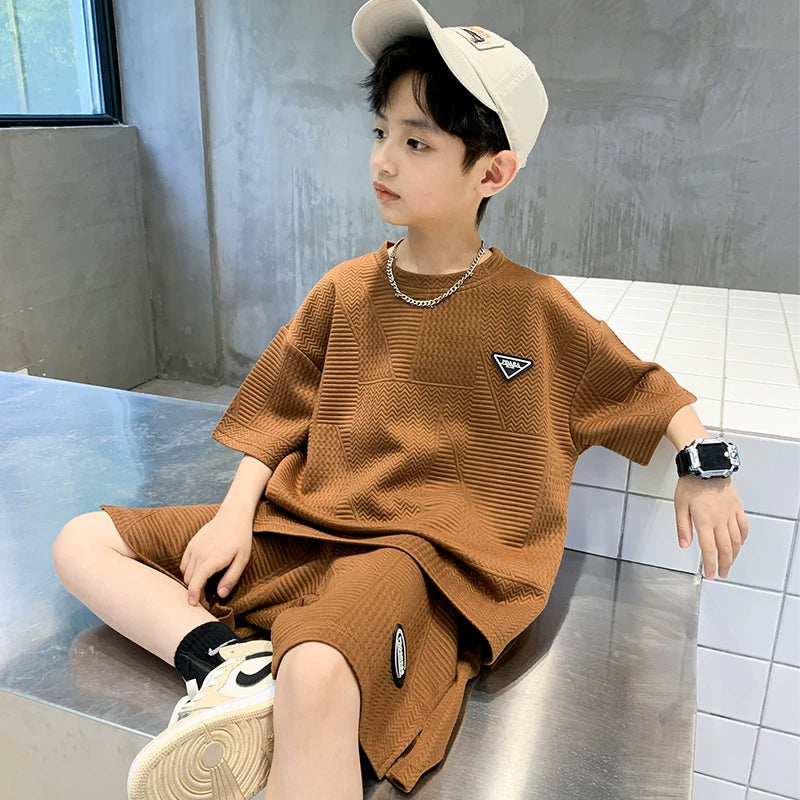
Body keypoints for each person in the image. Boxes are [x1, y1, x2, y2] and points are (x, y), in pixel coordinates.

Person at [51, 1, 750, 798]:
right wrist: (235, 515)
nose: (383, 159)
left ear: (492, 173)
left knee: (317, 669)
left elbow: (645, 387)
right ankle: (228, 665)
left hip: (420, 555)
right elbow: (278, 414)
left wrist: (704, 465)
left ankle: (278, 677)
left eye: (416, 142)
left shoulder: (533, 309)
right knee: (83, 542)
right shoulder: (345, 289)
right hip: (303, 525)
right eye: (381, 131)